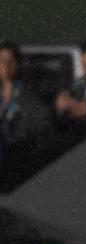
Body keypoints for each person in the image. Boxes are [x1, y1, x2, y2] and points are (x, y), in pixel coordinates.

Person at [0, 41, 58, 177]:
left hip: (18, 161)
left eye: (11, 61)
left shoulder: (31, 94)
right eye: (2, 61)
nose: (6, 66)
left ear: (18, 63)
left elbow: (45, 127)